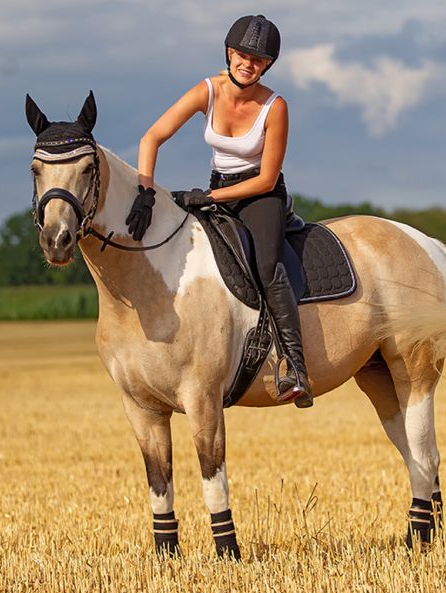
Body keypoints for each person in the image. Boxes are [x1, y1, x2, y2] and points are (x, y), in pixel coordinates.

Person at [133, 14, 313, 408]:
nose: (248, 63)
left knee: (267, 267)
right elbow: (152, 137)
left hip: (259, 196)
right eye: (243, 54)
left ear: (266, 66)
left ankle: (295, 367)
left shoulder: (275, 106)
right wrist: (146, 189)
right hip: (217, 189)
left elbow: (267, 178)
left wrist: (210, 200)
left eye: (258, 59)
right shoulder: (207, 91)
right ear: (230, 53)